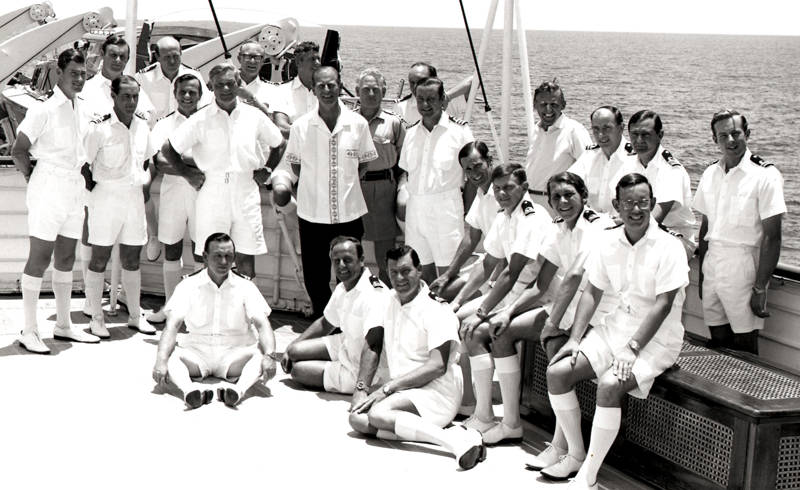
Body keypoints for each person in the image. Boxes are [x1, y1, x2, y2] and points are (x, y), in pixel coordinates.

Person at [543, 173, 688, 488]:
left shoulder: (669, 246)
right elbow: (592, 292)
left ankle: (588, 477)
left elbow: (663, 305)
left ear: (651, 203)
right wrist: (574, 339)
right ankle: (575, 453)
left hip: (656, 340)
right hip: (615, 328)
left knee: (609, 385)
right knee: (557, 372)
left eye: (643, 203)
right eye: (629, 203)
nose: (636, 210)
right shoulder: (609, 241)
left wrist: (632, 349)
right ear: (616, 206)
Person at [462, 172, 614, 450]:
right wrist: (507, 312)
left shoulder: (596, 227)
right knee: (501, 331)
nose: (562, 201)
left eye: (569, 194)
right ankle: (510, 423)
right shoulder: (559, 229)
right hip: (563, 308)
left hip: (597, 313)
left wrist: (551, 324)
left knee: (558, 355)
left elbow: (574, 279)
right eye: (556, 196)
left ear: (584, 196)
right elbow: (541, 284)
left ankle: (561, 445)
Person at [348, 245, 487, 470]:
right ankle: (462, 437)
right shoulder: (387, 300)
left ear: (419, 270)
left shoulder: (436, 310)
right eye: (393, 272)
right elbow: (372, 342)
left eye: (406, 271)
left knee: (379, 414)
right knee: (357, 419)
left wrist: (387, 388)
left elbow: (437, 367)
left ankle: (454, 443)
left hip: (437, 392)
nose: (399, 278)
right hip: (404, 390)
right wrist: (362, 388)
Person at [453, 164, 554, 434]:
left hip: (538, 296)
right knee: (458, 318)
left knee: (476, 330)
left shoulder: (532, 218)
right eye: (497, 188)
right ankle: (474, 406)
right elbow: (489, 264)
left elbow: (512, 271)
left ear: (523, 187)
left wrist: (482, 311)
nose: (501, 193)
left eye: (508, 187)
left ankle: (502, 420)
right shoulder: (505, 214)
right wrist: (459, 300)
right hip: (513, 290)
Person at [271, 66, 378, 319]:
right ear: (314, 89)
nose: (327, 90)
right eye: (321, 86)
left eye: (332, 85)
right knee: (316, 278)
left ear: (340, 86)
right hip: (312, 216)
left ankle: (349, 325)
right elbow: (295, 164)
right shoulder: (301, 126)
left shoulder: (358, 123)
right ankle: (326, 323)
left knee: (351, 276)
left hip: (349, 215)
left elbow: (363, 163)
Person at [11, 48, 100, 353]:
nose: (79, 79)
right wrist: (34, 178)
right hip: (48, 184)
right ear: (59, 73)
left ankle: (63, 325)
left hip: (74, 186)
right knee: (40, 257)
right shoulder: (43, 109)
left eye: (83, 74)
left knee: (65, 257)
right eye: (73, 73)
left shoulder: (83, 108)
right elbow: (18, 151)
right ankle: (29, 329)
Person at [161, 62, 285, 279]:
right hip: (213, 190)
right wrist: (187, 173)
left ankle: (245, 312)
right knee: (212, 256)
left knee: (246, 257)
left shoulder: (253, 115)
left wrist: (267, 169)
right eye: (219, 85)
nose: (225, 90)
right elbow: (168, 148)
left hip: (246, 189)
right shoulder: (200, 118)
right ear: (212, 87)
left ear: (238, 84)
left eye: (230, 84)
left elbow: (279, 142)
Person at [693, 110, 785, 355]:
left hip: (743, 267)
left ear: (748, 134)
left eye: (736, 133)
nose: (730, 140)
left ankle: (748, 392)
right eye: (723, 135)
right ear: (715, 140)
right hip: (713, 265)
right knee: (717, 338)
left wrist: (760, 287)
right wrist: (702, 277)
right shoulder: (710, 173)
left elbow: (772, 236)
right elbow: (705, 227)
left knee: (745, 342)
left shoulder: (765, 175)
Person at [152, 233, 278, 409]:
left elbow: (263, 325)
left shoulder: (246, 286)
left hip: (235, 352)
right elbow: (172, 326)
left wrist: (270, 356)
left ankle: (237, 393)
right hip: (197, 351)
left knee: (258, 356)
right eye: (218, 256)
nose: (224, 262)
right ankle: (190, 392)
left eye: (228, 257)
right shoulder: (188, 285)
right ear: (204, 257)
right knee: (171, 358)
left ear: (234, 258)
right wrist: (160, 361)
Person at [82, 76, 157, 338]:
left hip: (133, 198)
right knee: (99, 258)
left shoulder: (143, 127)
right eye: (125, 96)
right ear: (113, 96)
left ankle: (135, 315)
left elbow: (146, 162)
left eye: (135, 96)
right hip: (106, 197)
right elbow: (84, 166)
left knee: (132, 259)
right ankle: (97, 317)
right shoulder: (99, 128)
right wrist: (96, 195)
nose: (131, 101)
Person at [281, 236, 389, 394]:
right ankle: (329, 362)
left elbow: (373, 346)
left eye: (347, 260)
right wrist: (289, 348)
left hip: (363, 367)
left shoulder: (373, 294)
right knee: (294, 351)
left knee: (298, 371)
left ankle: (338, 370)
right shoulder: (343, 287)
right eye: (336, 261)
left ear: (361, 260)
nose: (341, 266)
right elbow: (326, 323)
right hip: (347, 344)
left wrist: (361, 389)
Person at [397, 77, 474, 285]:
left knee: (448, 275)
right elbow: (406, 173)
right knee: (421, 272)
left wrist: (467, 215)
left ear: (443, 100)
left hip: (446, 211)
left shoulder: (460, 132)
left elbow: (473, 177)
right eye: (420, 99)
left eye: (431, 99)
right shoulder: (411, 133)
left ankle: (450, 316)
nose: (425, 105)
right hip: (416, 212)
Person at [145, 74, 205, 324]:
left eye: (193, 92)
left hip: (204, 194)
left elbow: (213, 161)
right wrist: (194, 167)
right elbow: (160, 161)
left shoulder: (208, 122)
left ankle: (199, 312)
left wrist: (179, 161)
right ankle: (171, 308)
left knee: (203, 251)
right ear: (175, 94)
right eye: (183, 92)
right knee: (172, 248)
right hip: (172, 194)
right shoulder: (164, 125)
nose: (188, 96)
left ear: (200, 95)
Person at [430, 141, 499, 301]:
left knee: (457, 304)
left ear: (489, 160)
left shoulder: (503, 194)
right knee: (438, 293)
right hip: (488, 265)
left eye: (477, 166)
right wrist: (447, 275)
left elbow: (506, 251)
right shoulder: (481, 192)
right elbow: (471, 238)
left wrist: (492, 284)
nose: (473, 173)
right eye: (468, 169)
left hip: (505, 271)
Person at [355, 67, 405, 285]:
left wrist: (402, 189)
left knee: (385, 252)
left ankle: (387, 297)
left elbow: (405, 161)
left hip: (383, 189)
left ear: (384, 91)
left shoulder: (394, 123)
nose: (372, 94)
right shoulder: (345, 120)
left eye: (376, 89)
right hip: (353, 188)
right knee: (350, 246)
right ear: (357, 91)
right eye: (366, 89)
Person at [627, 110, 696, 243]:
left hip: (673, 236)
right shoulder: (628, 163)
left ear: (660, 135)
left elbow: (654, 217)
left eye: (645, 135)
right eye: (634, 134)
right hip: (639, 229)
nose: (639, 140)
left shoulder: (672, 170)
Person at [525, 80, 592, 209]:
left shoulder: (574, 130)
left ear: (563, 105)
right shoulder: (535, 130)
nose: (548, 109)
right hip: (531, 202)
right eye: (543, 104)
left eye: (554, 104)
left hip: (557, 204)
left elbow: (589, 168)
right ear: (535, 105)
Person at [568, 106, 642, 215]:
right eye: (596, 129)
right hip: (592, 224)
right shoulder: (589, 156)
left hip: (624, 226)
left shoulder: (636, 159)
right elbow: (567, 184)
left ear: (621, 128)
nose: (600, 135)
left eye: (606, 128)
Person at [135, 36, 210, 121]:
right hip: (155, 131)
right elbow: (137, 112)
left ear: (181, 53)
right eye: (167, 57)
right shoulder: (143, 78)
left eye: (175, 56)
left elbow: (205, 107)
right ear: (157, 57)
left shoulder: (194, 77)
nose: (172, 61)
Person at [393, 62, 471, 126]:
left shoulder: (451, 100)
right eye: (412, 82)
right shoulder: (401, 107)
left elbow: (475, 80)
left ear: (434, 79)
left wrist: (448, 97)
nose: (416, 86)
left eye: (420, 81)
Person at [272, 41, 320, 137]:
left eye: (318, 59)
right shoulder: (282, 91)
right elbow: (281, 127)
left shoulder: (326, 92)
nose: (318, 63)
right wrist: (316, 135)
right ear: (298, 62)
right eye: (312, 59)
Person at [235, 41, 279, 118]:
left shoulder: (271, 90)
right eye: (248, 57)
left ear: (263, 61)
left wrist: (252, 99)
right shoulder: (224, 85)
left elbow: (272, 118)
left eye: (257, 57)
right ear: (239, 59)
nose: (252, 61)